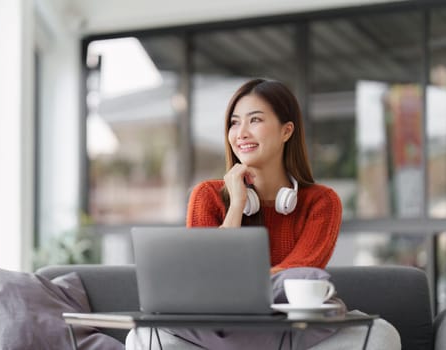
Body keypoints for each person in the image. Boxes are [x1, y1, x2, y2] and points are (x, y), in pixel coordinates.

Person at [126, 78, 400, 350]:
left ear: (286, 131)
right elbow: (206, 277)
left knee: (381, 334)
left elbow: (299, 273)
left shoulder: (322, 202)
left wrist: (234, 283)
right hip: (216, 333)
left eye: (254, 120)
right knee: (140, 337)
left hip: (291, 333)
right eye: (234, 122)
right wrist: (236, 206)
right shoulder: (206, 196)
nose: (241, 133)